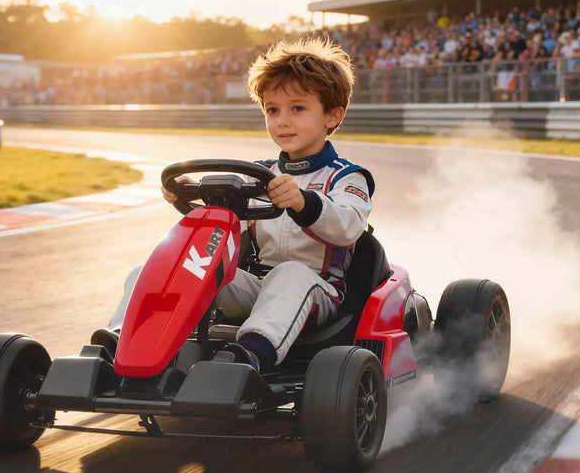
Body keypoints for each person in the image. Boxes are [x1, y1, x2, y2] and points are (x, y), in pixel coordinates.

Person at [97, 37, 373, 372]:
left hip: (321, 293)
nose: (282, 120)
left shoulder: (347, 177)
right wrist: (190, 199)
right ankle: (120, 341)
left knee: (289, 275)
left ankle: (247, 359)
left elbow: (347, 227)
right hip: (257, 287)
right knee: (158, 270)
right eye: (273, 110)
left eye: (297, 108)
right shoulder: (261, 173)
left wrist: (304, 202)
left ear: (332, 115)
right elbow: (228, 222)